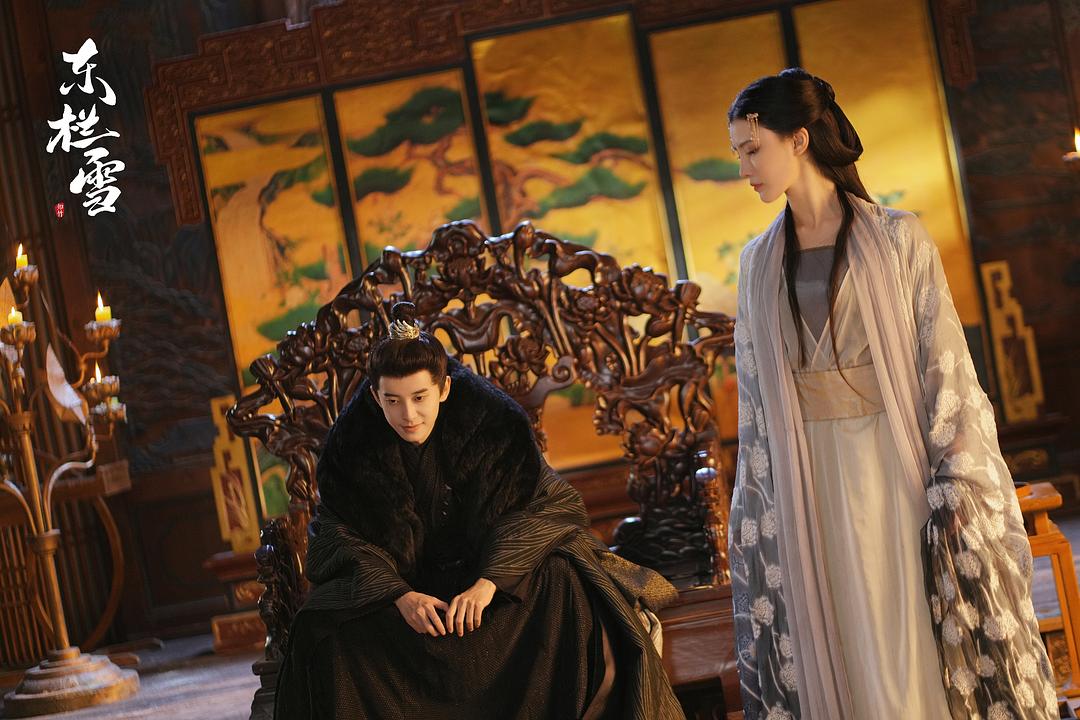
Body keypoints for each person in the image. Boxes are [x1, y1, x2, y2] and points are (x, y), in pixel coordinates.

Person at [725, 68, 1057, 720]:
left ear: (798, 140)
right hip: (807, 474)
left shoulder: (899, 238)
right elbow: (757, 397)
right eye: (738, 154)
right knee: (838, 633)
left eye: (752, 149)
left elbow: (944, 367)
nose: (744, 169)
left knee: (903, 628)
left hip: (892, 462)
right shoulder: (757, 262)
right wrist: (763, 505)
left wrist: (953, 474)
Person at [273, 301, 685, 719]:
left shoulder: (494, 424)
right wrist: (398, 595)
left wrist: (491, 580)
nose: (408, 415)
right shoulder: (351, 447)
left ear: (444, 389)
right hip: (409, 596)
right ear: (376, 397)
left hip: (489, 588)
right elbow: (336, 536)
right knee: (323, 630)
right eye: (392, 400)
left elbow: (552, 506)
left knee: (564, 577)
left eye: (419, 397)